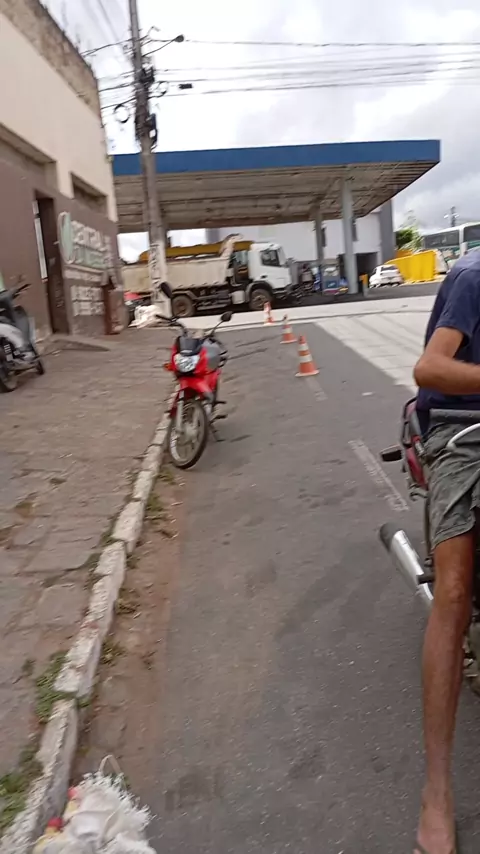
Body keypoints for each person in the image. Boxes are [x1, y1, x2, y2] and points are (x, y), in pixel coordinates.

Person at [413, 248, 480, 854]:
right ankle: (436, 792)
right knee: (453, 590)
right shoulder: (471, 277)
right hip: (461, 429)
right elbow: (429, 368)